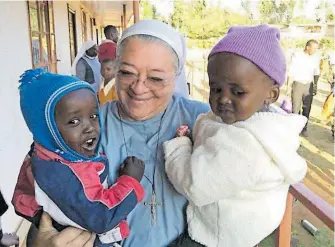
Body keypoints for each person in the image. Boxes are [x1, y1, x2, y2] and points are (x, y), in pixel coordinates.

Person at [24, 19, 210, 247]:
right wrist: (40, 242)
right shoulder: (81, 127)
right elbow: (39, 211)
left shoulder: (203, 121)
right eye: (127, 73)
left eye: (156, 78)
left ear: (177, 75)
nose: (139, 88)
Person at [164, 25, 307, 247]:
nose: (222, 99)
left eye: (237, 92)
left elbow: (196, 186)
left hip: (215, 239)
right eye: (215, 88)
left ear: (271, 93)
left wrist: (179, 148)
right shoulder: (258, 123)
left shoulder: (247, 144)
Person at [13, 68, 145, 246]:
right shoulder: (59, 173)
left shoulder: (53, 153)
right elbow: (101, 216)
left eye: (93, 116)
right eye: (74, 121)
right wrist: (130, 180)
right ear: (48, 130)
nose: (90, 127)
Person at [287, 39, 321, 137]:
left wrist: (315, 86)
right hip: (298, 85)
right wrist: (288, 87)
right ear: (307, 47)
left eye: (316, 49)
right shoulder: (298, 56)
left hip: (308, 85)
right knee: (295, 109)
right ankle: (294, 130)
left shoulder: (315, 58)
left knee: (307, 108)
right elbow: (291, 72)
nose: (315, 50)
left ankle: (304, 128)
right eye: (314, 48)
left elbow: (316, 73)